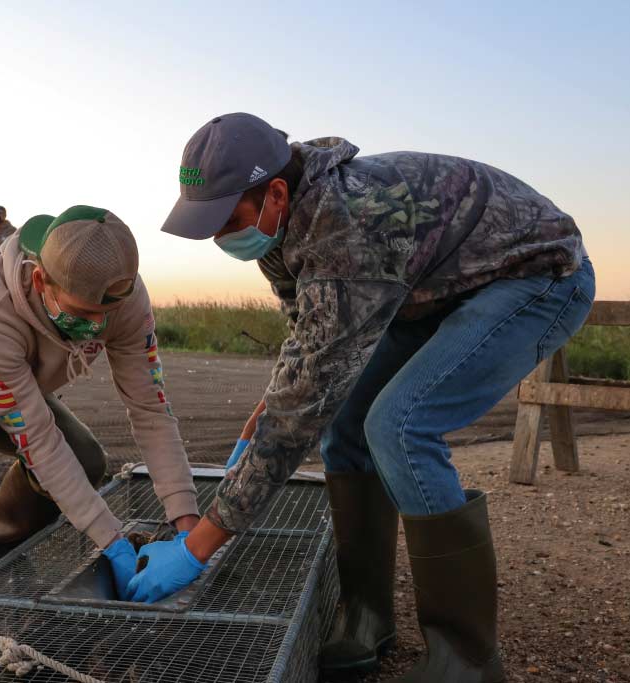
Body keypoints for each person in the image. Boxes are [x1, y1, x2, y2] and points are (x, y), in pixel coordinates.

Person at [131, 113, 595, 682]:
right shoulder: (280, 227)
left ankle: (467, 659)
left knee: (400, 426)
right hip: (428, 289)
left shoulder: (345, 226)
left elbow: (303, 402)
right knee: (344, 422)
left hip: (534, 277)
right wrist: (262, 413)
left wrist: (198, 545)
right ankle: (366, 614)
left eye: (227, 219)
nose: (221, 236)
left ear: (275, 192)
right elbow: (307, 336)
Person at [0, 205, 199, 639]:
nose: (96, 326)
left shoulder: (126, 300)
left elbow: (151, 410)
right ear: (41, 280)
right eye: (83, 313)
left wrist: (187, 534)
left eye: (106, 314)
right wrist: (113, 542)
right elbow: (39, 440)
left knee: (84, 458)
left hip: (0, 381)